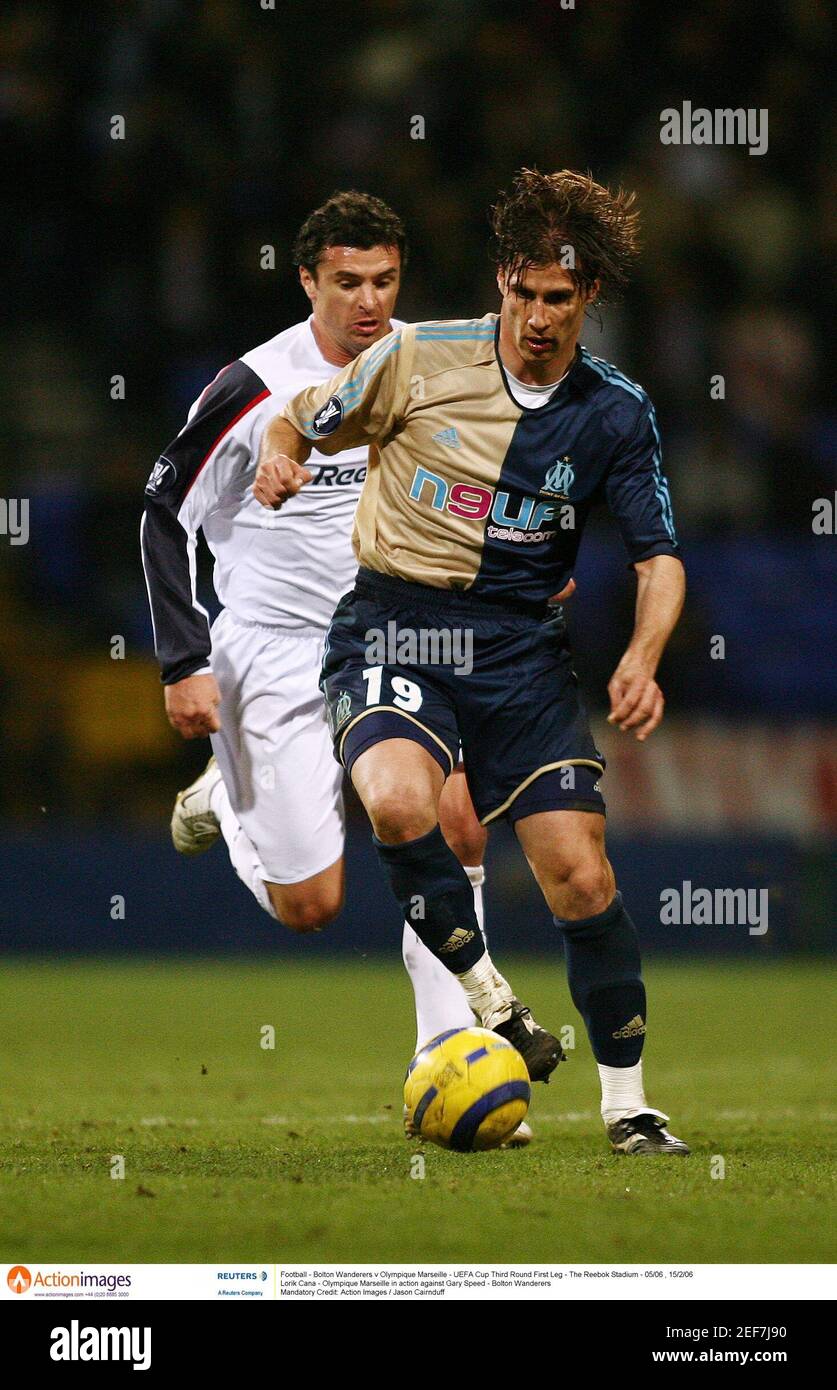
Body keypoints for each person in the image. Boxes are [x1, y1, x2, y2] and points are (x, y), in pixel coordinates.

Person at [253, 168, 690, 1156]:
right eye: (523, 293)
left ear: (589, 300)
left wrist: (645, 654)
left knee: (580, 875)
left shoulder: (615, 412)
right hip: (396, 623)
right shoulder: (414, 358)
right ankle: (490, 1001)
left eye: (559, 299)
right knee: (402, 804)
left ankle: (629, 1107)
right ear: (502, 282)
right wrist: (281, 457)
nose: (537, 317)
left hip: (521, 649)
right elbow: (300, 415)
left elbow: (660, 556)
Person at [141, 191, 530, 1135]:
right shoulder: (250, 387)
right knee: (310, 905)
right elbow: (162, 513)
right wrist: (183, 661)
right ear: (307, 278)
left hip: (388, 639)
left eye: (385, 281)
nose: (369, 301)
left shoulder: (432, 367)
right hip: (268, 651)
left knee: (456, 827)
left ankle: (446, 1055)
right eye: (347, 282)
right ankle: (219, 798)